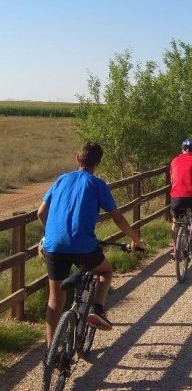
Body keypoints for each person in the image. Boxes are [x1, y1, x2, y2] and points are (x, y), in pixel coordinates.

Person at [38, 142, 142, 346]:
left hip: (53, 246)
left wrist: (52, 233)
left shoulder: (61, 179)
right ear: (98, 163)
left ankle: (51, 351)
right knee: (105, 271)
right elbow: (117, 218)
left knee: (55, 298)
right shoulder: (97, 184)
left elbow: (41, 213)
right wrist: (135, 238)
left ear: (78, 159)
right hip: (83, 246)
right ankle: (97, 308)